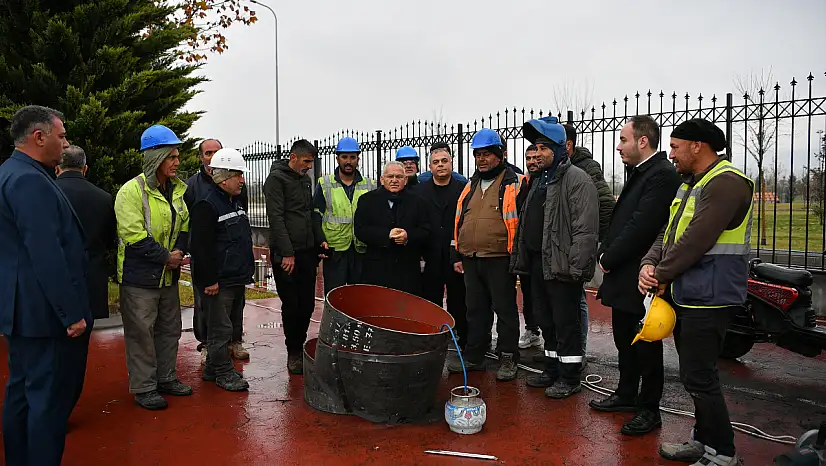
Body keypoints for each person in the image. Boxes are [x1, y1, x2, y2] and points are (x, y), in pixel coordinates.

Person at [639, 118, 753, 466]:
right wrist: (649, 262)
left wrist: (660, 274)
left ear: (696, 146)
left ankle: (723, 452)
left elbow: (696, 241)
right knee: (694, 374)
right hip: (690, 292)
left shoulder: (727, 183)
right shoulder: (692, 183)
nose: (670, 153)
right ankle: (703, 442)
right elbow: (669, 232)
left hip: (712, 294)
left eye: (674, 146)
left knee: (699, 376)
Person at [0, 105, 90, 466]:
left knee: (21, 393)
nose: (65, 142)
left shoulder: (10, 173)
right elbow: (46, 252)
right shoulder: (29, 181)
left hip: (23, 312)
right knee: (46, 404)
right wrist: (70, 314)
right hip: (44, 315)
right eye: (61, 135)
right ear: (39, 137)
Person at [590, 115, 680, 436]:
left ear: (643, 141)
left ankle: (649, 408)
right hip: (623, 273)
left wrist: (608, 256)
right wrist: (607, 247)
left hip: (641, 272)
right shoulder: (641, 172)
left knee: (646, 343)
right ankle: (626, 393)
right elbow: (623, 218)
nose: (618, 146)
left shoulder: (662, 175)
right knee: (623, 338)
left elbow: (643, 224)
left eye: (624, 140)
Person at [511, 116, 599, 399]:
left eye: (542, 148)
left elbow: (586, 230)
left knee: (566, 323)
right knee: (546, 320)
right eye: (534, 147)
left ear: (560, 148)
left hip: (562, 268)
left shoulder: (577, 180)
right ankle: (552, 367)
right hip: (538, 263)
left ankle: (570, 375)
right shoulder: (537, 180)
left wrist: (575, 268)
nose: (536, 153)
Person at [115, 124, 192, 411]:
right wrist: (166, 257)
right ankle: (145, 387)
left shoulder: (177, 190)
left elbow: (184, 223)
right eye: (171, 156)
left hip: (166, 276)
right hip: (140, 278)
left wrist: (180, 250)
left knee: (169, 329)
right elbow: (133, 236)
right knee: (141, 334)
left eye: (177, 155)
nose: (176, 162)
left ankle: (166, 378)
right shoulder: (131, 192)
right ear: (155, 158)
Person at [448, 128, 525, 382]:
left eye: (486, 155)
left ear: (501, 155)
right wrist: (457, 252)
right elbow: (460, 220)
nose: (481, 159)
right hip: (471, 257)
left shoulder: (515, 183)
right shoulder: (470, 185)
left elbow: (522, 223)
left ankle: (508, 357)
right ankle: (475, 355)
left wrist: (517, 258)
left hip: (500, 258)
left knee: (504, 309)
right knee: (475, 309)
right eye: (477, 155)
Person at [55, 145, 118, 410]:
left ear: (58, 167)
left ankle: (51, 406)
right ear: (85, 168)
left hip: (55, 278)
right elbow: (109, 240)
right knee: (79, 350)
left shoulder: (49, 193)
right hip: (90, 279)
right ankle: (68, 402)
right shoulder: (103, 198)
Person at [188, 148, 253, 392]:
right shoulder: (206, 206)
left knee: (227, 324)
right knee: (220, 328)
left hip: (235, 277)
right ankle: (223, 372)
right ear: (224, 177)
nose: (243, 180)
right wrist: (209, 280)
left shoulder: (233, 200)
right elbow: (200, 248)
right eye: (238, 175)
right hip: (219, 281)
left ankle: (212, 369)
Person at [264, 139, 323, 375]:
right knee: (292, 305)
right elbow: (276, 218)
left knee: (307, 304)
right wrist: (287, 252)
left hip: (307, 252)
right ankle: (294, 352)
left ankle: (301, 344)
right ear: (293, 158)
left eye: (311, 161)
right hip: (287, 255)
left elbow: (308, 213)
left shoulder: (304, 181)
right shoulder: (276, 180)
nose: (309, 166)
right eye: (306, 161)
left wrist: (318, 241)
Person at [564, 124, 616, 369]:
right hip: (561, 246)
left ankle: (579, 352)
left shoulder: (586, 168)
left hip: (580, 245)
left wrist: (595, 240)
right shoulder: (552, 169)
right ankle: (564, 350)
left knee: (577, 299)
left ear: (568, 145)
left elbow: (606, 204)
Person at [411, 142, 468, 347]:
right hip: (430, 254)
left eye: (444, 161)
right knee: (430, 296)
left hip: (455, 253)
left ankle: (460, 335)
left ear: (451, 162)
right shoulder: (419, 191)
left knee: (458, 298)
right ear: (429, 166)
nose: (440, 165)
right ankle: (432, 334)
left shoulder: (463, 189)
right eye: (436, 162)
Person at [355, 160, 431, 295]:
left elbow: (426, 230)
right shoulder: (367, 200)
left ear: (405, 179)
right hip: (377, 270)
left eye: (399, 177)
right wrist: (387, 235)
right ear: (382, 179)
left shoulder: (418, 202)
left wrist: (408, 236)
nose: (394, 180)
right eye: (390, 177)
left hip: (407, 271)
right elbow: (361, 230)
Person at [313, 137, 376, 296]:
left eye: (352, 157)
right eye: (344, 157)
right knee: (335, 297)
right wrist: (320, 240)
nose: (348, 161)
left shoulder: (370, 184)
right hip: (335, 251)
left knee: (360, 299)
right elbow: (315, 214)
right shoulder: (324, 183)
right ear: (337, 158)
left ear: (358, 159)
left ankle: (357, 323)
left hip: (361, 250)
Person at [516, 144, 543, 350]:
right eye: (528, 158)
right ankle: (532, 330)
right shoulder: (523, 182)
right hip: (525, 248)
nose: (532, 161)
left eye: (536, 157)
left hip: (545, 251)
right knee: (527, 291)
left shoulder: (549, 181)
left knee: (544, 296)